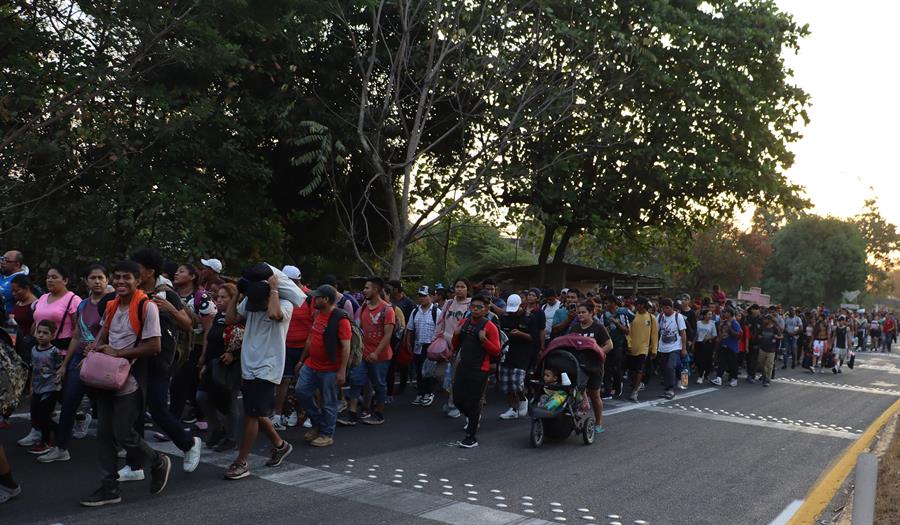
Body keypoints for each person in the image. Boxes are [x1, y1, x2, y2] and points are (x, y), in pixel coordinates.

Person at [80, 260, 172, 507]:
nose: (121, 282)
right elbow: (106, 336)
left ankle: (157, 461)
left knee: (123, 433)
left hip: (130, 379)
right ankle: (109, 488)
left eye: (127, 278)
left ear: (138, 280)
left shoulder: (146, 306)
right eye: (117, 277)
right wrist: (97, 348)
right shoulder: (110, 306)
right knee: (103, 435)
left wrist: (117, 354)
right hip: (106, 377)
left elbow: (155, 346)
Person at [119, 249, 201, 480]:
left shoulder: (165, 294)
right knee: (134, 411)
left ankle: (189, 442)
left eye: (137, 267)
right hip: (135, 358)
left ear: (150, 272)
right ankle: (135, 466)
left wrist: (171, 310)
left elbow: (187, 324)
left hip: (158, 360)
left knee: (157, 409)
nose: (132, 272)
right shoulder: (131, 293)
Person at [224, 263, 305, 480]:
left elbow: (275, 314)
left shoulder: (285, 304)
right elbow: (231, 319)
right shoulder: (251, 303)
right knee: (256, 411)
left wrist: (274, 290)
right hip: (248, 363)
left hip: (268, 365)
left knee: (251, 414)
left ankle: (241, 462)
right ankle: (280, 445)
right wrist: (238, 293)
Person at [39, 264, 112, 463]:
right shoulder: (83, 304)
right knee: (69, 401)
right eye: (93, 278)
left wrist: (96, 351)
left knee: (107, 404)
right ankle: (61, 447)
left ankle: (121, 443)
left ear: (107, 280)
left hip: (102, 360)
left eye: (101, 278)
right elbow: (76, 336)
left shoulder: (112, 303)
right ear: (86, 281)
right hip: (79, 358)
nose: (97, 281)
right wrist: (65, 364)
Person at [295, 285, 352, 448]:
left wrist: (342, 371)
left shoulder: (341, 319)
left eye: (317, 297)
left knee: (329, 401)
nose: (314, 299)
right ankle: (318, 422)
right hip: (311, 364)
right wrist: (301, 360)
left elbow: (346, 347)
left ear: (326, 299)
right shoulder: (318, 314)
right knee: (301, 391)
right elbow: (310, 339)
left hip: (329, 369)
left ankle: (327, 433)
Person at [340, 277, 394, 426]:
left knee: (379, 384)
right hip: (363, 354)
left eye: (367, 288)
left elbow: (388, 334)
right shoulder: (364, 306)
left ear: (375, 290)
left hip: (380, 357)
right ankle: (351, 414)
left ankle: (378, 413)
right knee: (356, 381)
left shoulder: (387, 310)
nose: (364, 290)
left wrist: (376, 353)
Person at [196, 284, 244, 452]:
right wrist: (205, 361)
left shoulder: (239, 316)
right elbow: (211, 338)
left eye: (224, 297)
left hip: (229, 366)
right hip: (213, 364)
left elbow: (245, 339)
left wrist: (234, 354)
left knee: (229, 401)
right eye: (218, 297)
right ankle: (217, 428)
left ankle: (231, 438)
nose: (219, 300)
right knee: (202, 396)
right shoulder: (217, 316)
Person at [451, 295, 502, 448]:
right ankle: (473, 417)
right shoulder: (464, 322)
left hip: (480, 369)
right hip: (463, 366)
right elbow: (455, 345)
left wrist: (484, 340)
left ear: (486, 309)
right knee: (457, 399)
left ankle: (471, 437)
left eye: (479, 307)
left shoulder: (489, 326)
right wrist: (456, 334)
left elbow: (496, 351)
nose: (475, 309)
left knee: (474, 402)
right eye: (473, 306)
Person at [171, 263, 217, 424]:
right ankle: (201, 416)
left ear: (192, 277)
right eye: (177, 270)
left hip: (194, 347)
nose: (176, 273)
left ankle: (172, 423)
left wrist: (204, 355)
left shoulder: (201, 298)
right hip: (174, 345)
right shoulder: (171, 294)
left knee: (178, 383)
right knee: (190, 384)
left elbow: (208, 329)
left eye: (181, 271)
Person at [276, 270, 313, 430]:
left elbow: (314, 326)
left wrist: (305, 354)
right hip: (285, 346)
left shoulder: (310, 297)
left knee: (306, 383)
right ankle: (279, 415)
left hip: (305, 347)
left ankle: (308, 413)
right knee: (284, 381)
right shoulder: (281, 295)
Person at [569, 302, 613, 433]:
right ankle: (574, 417)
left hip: (594, 367)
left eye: (583, 312)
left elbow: (609, 345)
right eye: (579, 312)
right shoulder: (575, 328)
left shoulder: (598, 328)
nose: (580, 315)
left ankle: (599, 423)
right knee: (572, 392)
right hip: (577, 367)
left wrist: (599, 352)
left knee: (595, 395)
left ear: (591, 313)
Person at [432, 279, 472, 419]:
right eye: (457, 286)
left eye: (463, 287)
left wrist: (454, 343)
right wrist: (437, 337)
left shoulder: (470, 305)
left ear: (468, 289)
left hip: (460, 347)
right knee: (440, 374)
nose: (459, 289)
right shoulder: (449, 303)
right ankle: (453, 399)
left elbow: (467, 328)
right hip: (444, 345)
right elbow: (440, 322)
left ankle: (453, 404)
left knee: (456, 377)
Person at [26, 320, 64, 455]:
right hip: (37, 387)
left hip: (50, 389)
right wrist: (31, 386)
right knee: (36, 415)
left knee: (44, 416)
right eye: (39, 332)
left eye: (45, 333)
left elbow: (59, 369)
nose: (41, 335)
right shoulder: (33, 350)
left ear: (52, 336)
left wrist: (58, 386)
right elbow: (33, 369)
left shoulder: (55, 352)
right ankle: (58, 430)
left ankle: (46, 442)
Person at [498, 294, 536, 419]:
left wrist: (520, 334)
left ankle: (523, 399)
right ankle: (512, 408)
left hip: (522, 355)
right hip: (507, 354)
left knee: (517, 382)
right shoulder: (504, 317)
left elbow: (533, 338)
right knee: (506, 384)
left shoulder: (530, 318)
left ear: (522, 305)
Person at [32, 265, 82, 352]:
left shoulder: (73, 300)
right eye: (48, 277)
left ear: (65, 280)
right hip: (39, 349)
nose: (50, 280)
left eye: (54, 277)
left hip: (60, 350)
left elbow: (78, 331)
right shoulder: (43, 297)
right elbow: (35, 323)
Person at [407, 285, 440, 407]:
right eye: (420, 295)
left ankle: (429, 393)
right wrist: (408, 342)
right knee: (419, 371)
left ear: (431, 297)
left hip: (431, 346)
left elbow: (439, 330)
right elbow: (410, 328)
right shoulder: (415, 311)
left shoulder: (436, 312)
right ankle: (420, 393)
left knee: (429, 372)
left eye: (424, 296)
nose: (421, 298)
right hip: (418, 345)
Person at [626, 297, 658, 402]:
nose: (636, 307)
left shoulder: (651, 318)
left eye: (638, 304)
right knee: (632, 371)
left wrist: (654, 349)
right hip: (632, 348)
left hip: (644, 348)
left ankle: (635, 391)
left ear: (643, 305)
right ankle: (635, 385)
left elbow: (654, 335)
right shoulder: (632, 316)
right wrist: (629, 344)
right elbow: (628, 332)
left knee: (640, 369)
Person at [656, 298, 687, 399]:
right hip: (662, 347)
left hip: (675, 347)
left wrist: (684, 348)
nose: (665, 310)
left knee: (670, 366)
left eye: (667, 308)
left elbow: (683, 333)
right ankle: (666, 389)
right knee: (664, 368)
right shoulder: (660, 317)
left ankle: (671, 389)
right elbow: (656, 331)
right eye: (663, 308)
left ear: (672, 307)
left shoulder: (678, 317)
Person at [601, 296, 631, 399]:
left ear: (614, 303)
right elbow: (601, 329)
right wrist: (606, 329)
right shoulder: (604, 315)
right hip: (607, 344)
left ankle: (618, 388)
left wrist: (617, 323)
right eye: (605, 303)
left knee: (616, 367)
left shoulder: (621, 314)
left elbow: (627, 331)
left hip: (618, 345)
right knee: (606, 367)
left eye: (608, 303)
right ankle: (608, 391)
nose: (605, 305)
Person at [711, 309, 742, 387]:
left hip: (732, 347)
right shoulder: (723, 323)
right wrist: (719, 341)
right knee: (721, 363)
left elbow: (738, 335)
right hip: (723, 345)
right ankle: (719, 378)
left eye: (726, 312)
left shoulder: (735, 323)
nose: (724, 313)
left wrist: (730, 328)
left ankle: (734, 379)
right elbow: (721, 333)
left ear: (730, 314)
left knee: (733, 364)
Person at [694, 309, 718, 384]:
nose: (710, 316)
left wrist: (708, 338)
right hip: (699, 343)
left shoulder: (712, 323)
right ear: (704, 315)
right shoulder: (698, 323)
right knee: (697, 360)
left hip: (707, 344)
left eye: (711, 314)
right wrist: (693, 343)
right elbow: (696, 334)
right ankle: (702, 372)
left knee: (705, 360)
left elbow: (714, 334)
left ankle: (701, 376)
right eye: (708, 314)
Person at [757, 315, 778, 387]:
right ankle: (764, 375)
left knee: (769, 365)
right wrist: (759, 337)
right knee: (761, 364)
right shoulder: (762, 327)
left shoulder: (775, 328)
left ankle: (767, 380)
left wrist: (776, 337)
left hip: (771, 350)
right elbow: (758, 335)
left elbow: (781, 336)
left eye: (765, 319)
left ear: (770, 320)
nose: (764, 320)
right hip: (762, 348)